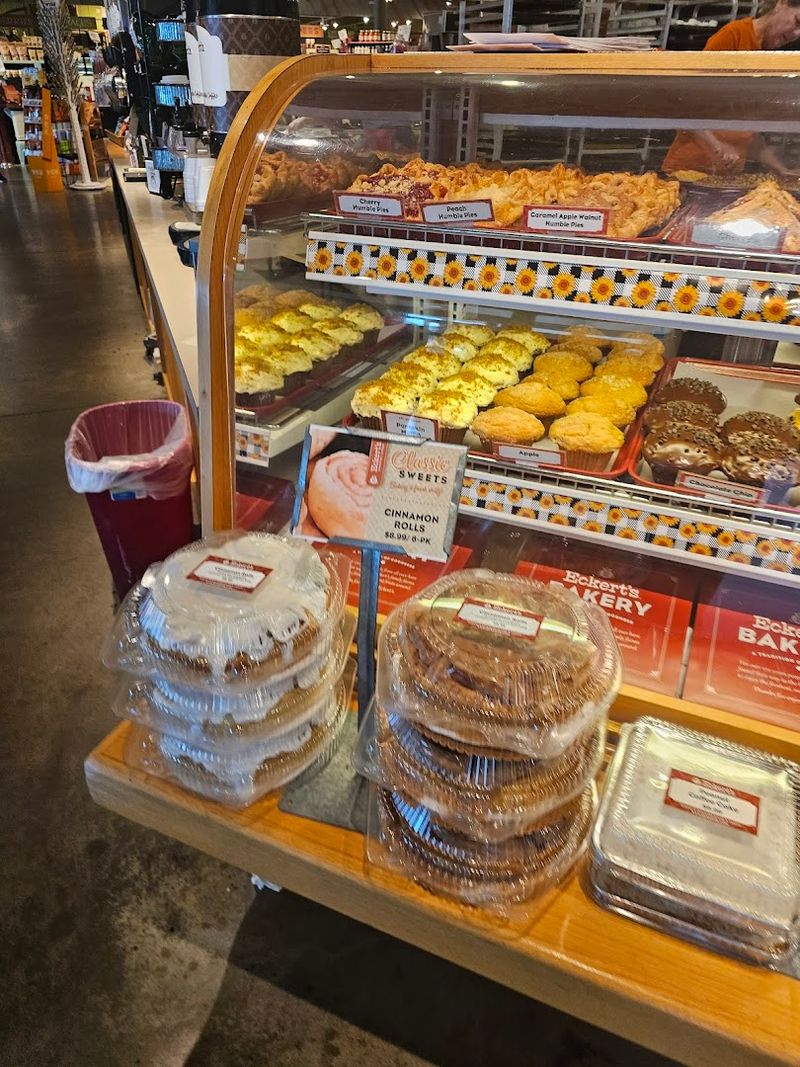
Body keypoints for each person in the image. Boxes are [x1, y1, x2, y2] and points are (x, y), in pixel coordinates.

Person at [663, 0, 800, 179]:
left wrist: (781, 169)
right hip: (689, 171)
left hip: (727, 177)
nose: (796, 34)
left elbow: (748, 132)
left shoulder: (767, 58)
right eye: (797, 21)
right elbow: (686, 107)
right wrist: (717, 145)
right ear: (781, 4)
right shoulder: (733, 35)